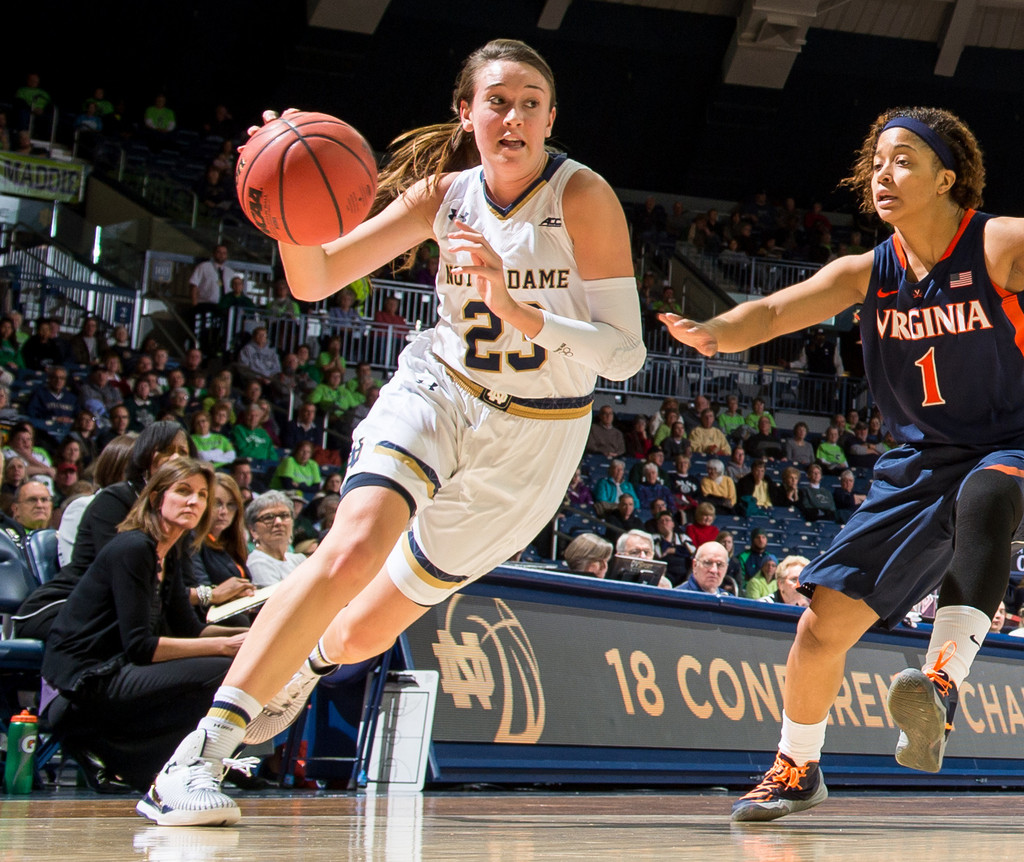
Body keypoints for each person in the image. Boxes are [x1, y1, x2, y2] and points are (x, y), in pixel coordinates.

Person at [138, 39, 645, 827]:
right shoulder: (443, 196)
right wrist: (281, 198)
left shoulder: (582, 197)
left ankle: (302, 657)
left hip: (539, 439)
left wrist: (519, 311)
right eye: (498, 100)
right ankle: (197, 755)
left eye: (531, 103)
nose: (514, 117)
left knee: (363, 631)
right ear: (466, 111)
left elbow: (625, 351)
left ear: (552, 117)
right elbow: (312, 278)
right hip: (440, 389)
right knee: (353, 547)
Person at [661, 106, 1024, 822]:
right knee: (821, 626)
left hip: (1014, 437)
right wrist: (713, 333)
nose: (883, 175)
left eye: (902, 162)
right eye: (877, 163)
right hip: (921, 457)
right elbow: (768, 315)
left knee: (987, 497)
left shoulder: (999, 244)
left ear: (947, 178)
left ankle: (941, 684)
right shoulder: (869, 270)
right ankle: (797, 767)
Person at [42, 459, 249, 791]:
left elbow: (190, 630)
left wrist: (250, 636)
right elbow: (140, 646)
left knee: (236, 662)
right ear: (156, 499)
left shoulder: (171, 551)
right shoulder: (134, 547)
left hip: (119, 669)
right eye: (183, 491)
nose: (194, 501)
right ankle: (131, 755)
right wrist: (227, 646)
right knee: (226, 671)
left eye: (201, 495)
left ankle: (150, 763)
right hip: (86, 681)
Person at [13, 422, 195, 641]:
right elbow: (121, 580)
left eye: (182, 452)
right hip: (71, 606)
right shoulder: (112, 500)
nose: (175, 459)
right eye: (166, 451)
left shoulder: (176, 512)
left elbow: (183, 581)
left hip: (127, 613)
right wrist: (206, 596)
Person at [244, 491, 306, 587]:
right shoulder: (258, 563)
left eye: (284, 515)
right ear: (253, 530)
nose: (278, 522)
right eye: (268, 518)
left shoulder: (298, 559)